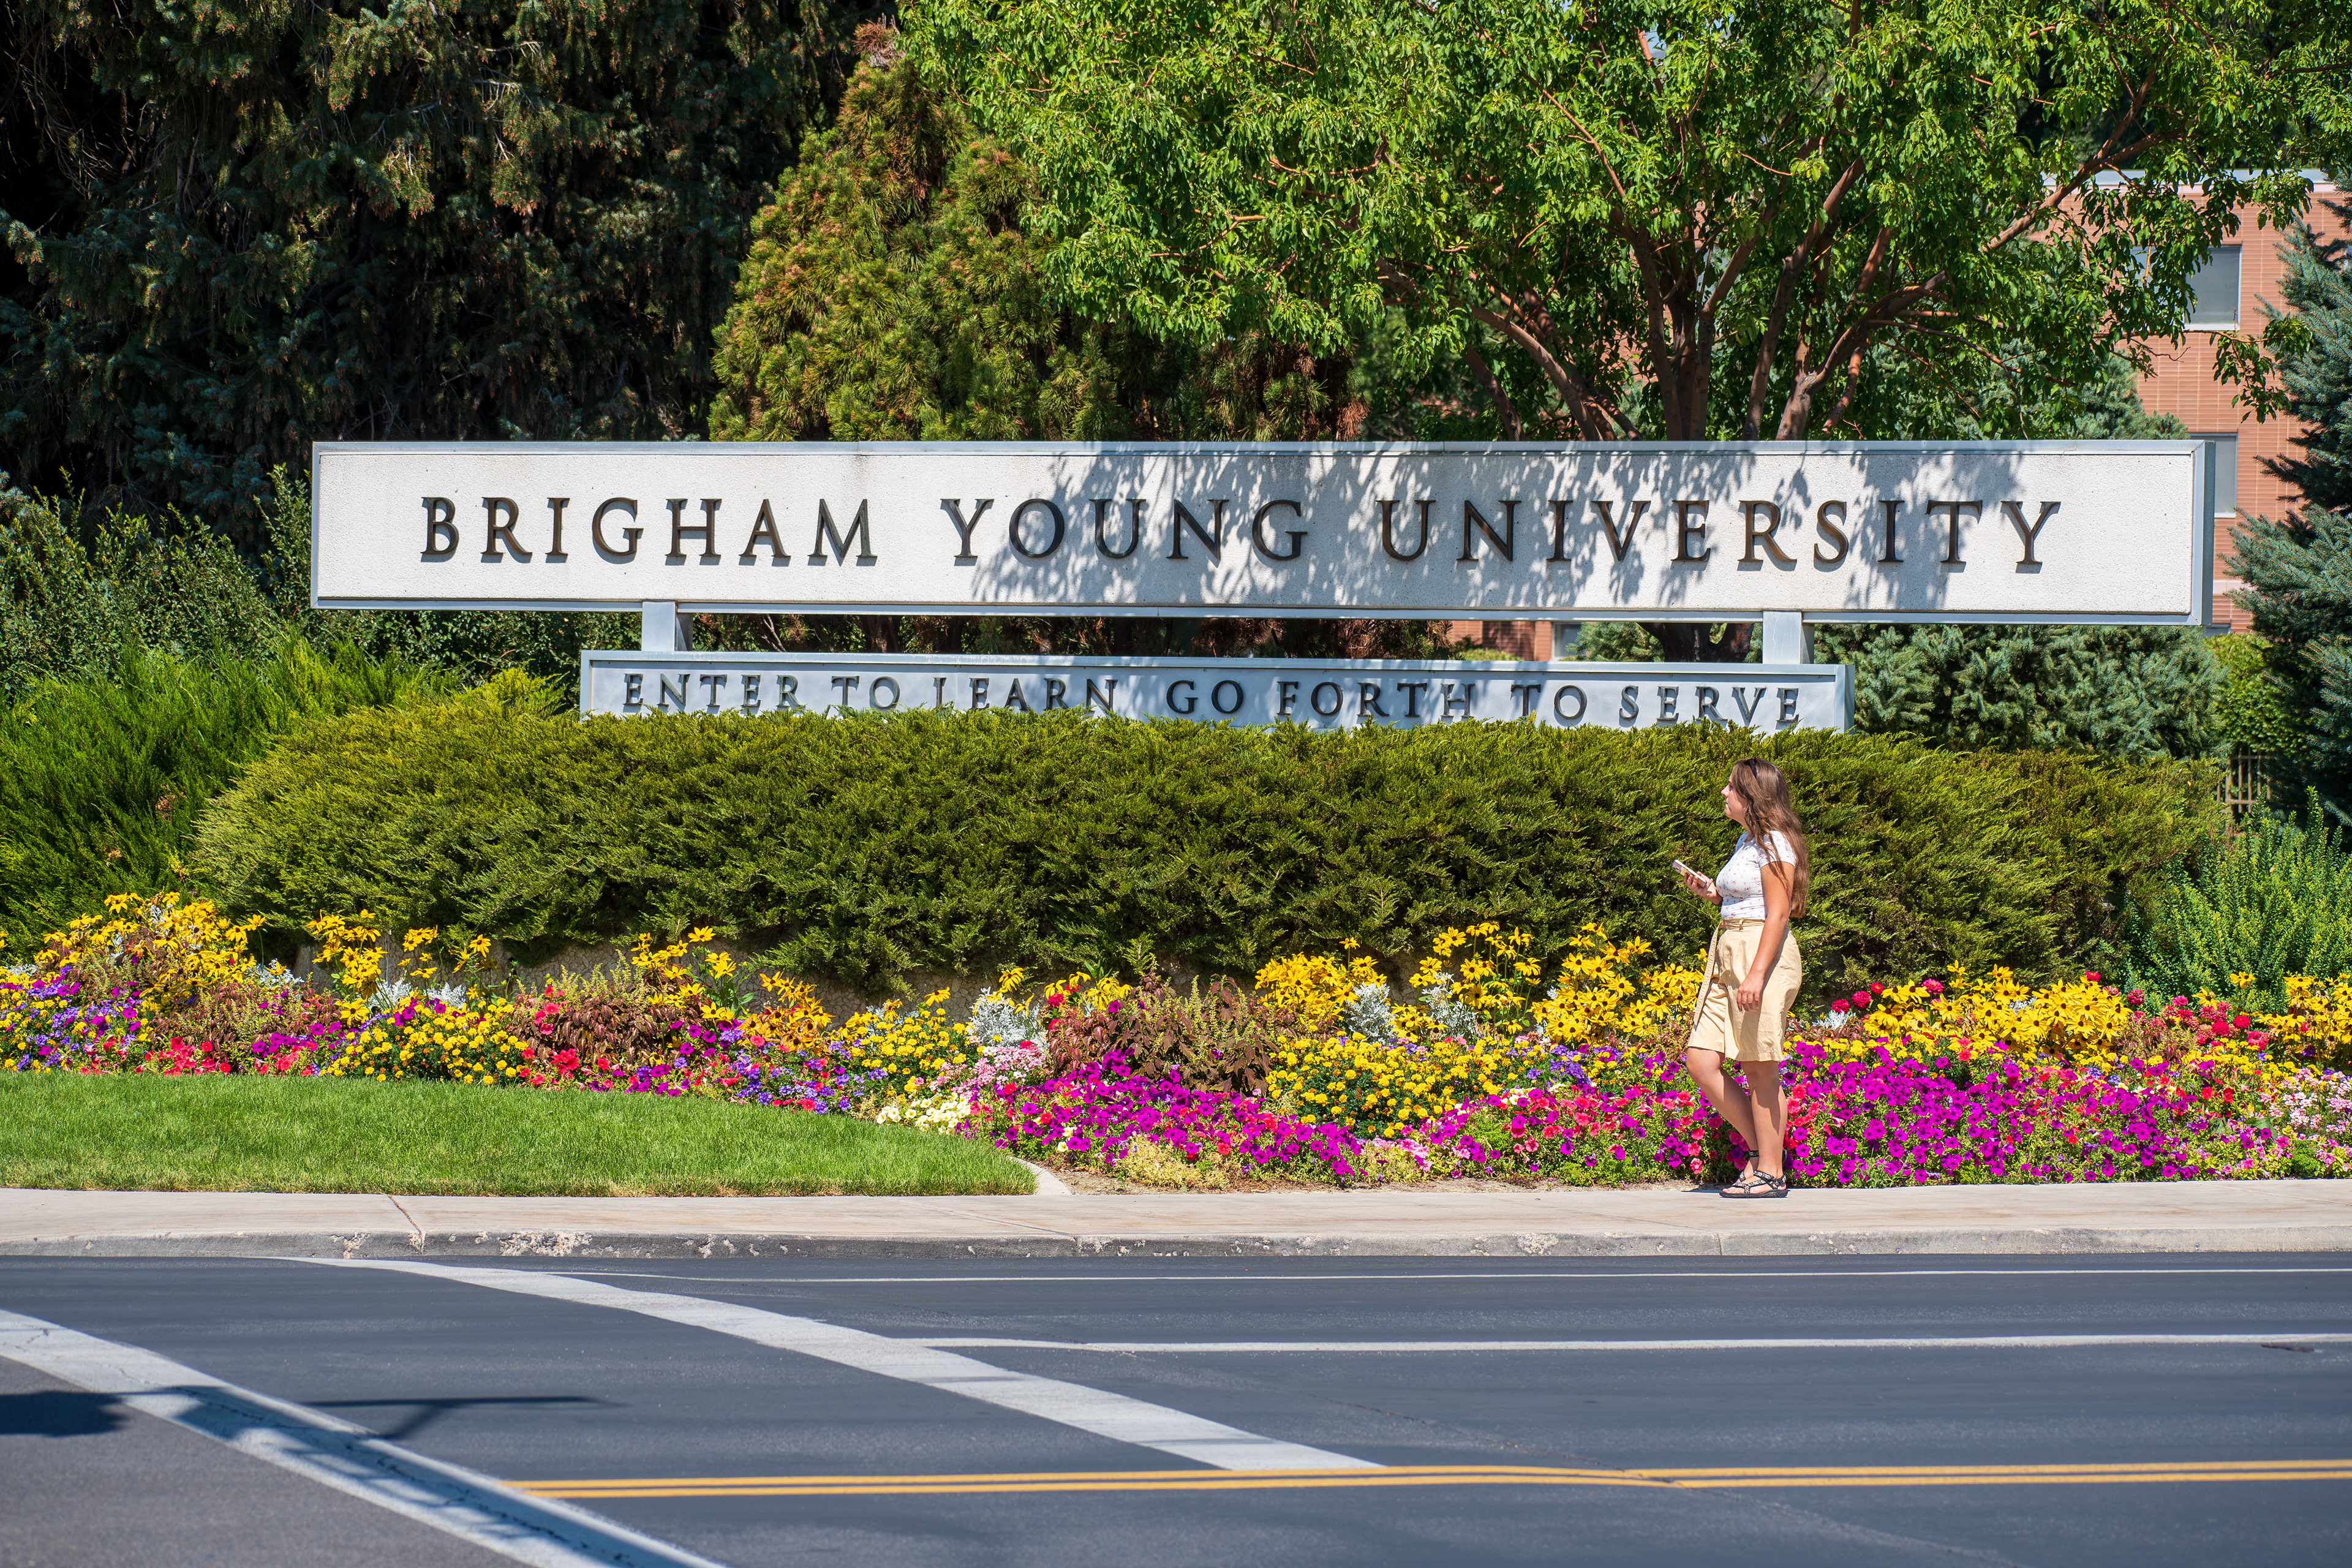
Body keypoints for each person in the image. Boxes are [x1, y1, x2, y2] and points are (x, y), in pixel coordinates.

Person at [1676, 758, 1809, 1198]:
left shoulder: (1775, 845)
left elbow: (1778, 914)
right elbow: (1747, 899)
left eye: (1731, 787)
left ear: (1752, 797)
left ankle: (1770, 1172)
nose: (1724, 793)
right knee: (1700, 1058)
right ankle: (1764, 1156)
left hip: (1760, 954)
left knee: (1759, 1066)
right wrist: (1713, 892)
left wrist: (1756, 974)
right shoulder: (1747, 841)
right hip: (1728, 948)